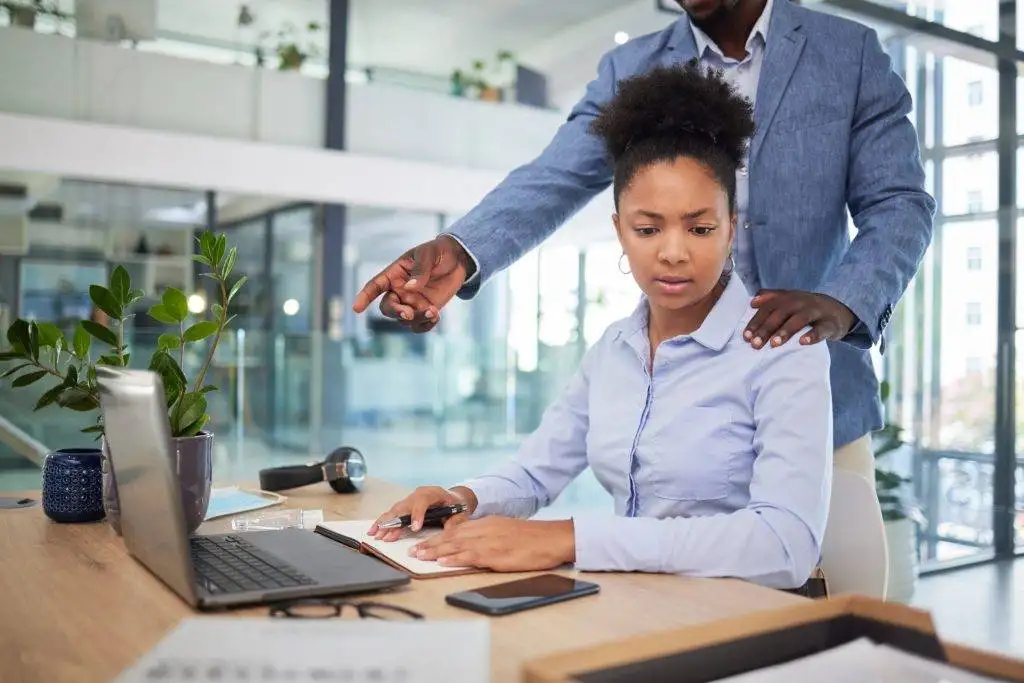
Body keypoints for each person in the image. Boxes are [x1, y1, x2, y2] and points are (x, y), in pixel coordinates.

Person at [352, 0, 935, 492]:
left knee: (830, 604)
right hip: (686, 416)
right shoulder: (632, 67)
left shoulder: (848, 54)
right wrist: (461, 248)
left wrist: (843, 300)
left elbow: (899, 202)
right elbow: (554, 176)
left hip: (819, 399)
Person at [367, 62, 833, 591]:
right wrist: (464, 498)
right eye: (647, 228)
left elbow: (785, 545)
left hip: (744, 618)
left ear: (731, 230)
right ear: (620, 231)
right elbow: (535, 471)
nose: (674, 252)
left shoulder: (784, 348)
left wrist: (571, 539)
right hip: (637, 599)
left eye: (701, 228)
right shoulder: (615, 348)